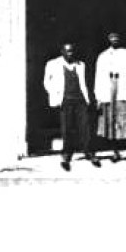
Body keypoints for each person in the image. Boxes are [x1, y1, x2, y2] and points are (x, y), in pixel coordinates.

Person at [43, 41, 100, 171]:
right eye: (67, 51)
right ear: (62, 51)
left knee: (84, 126)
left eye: (72, 51)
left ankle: (88, 151)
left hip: (80, 100)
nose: (70, 53)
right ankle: (66, 154)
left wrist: (88, 99)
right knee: (67, 128)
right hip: (65, 101)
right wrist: (55, 93)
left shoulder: (80, 65)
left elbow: (84, 83)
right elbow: (46, 82)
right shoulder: (53, 64)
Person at [94, 30, 126, 165]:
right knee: (111, 125)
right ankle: (115, 152)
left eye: (116, 37)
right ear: (108, 39)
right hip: (107, 94)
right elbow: (98, 77)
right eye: (111, 37)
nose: (114, 39)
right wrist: (98, 97)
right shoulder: (103, 56)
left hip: (122, 92)